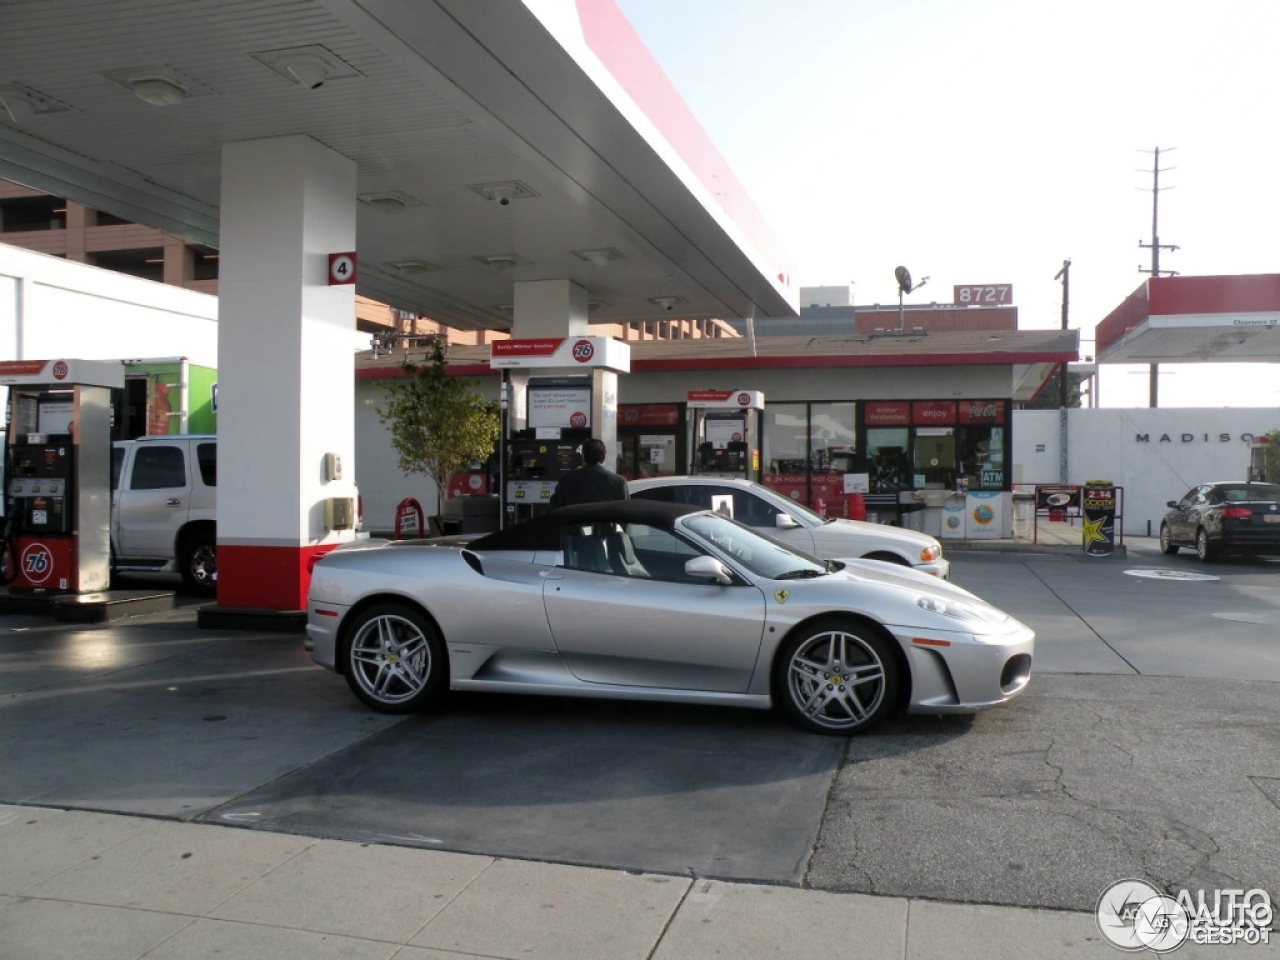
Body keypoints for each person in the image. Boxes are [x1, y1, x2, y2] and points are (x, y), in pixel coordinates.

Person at [549, 438, 628, 509]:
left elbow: (554, 510)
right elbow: (625, 513)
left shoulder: (565, 480)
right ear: (604, 458)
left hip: (574, 525)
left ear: (583, 458)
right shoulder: (618, 482)